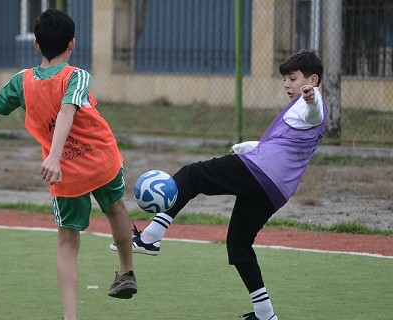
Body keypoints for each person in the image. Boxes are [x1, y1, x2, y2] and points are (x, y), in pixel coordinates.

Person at [111, 49, 326, 320]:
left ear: (313, 79)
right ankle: (265, 314)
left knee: (192, 175)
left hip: (260, 172)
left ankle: (151, 237)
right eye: (285, 79)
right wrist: (247, 145)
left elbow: (314, 108)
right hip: (276, 189)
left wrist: (312, 95)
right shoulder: (298, 112)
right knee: (238, 245)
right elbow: (281, 144)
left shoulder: (311, 105)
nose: (287, 84)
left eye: (293, 78)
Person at [0, 9, 137, 320]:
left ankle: (70, 317)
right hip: (102, 159)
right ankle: (126, 271)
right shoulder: (76, 75)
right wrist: (54, 156)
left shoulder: (21, 81)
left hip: (65, 172)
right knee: (115, 207)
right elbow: (67, 109)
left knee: (67, 241)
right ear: (72, 43)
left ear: (36, 45)